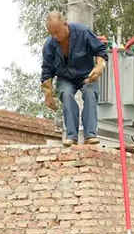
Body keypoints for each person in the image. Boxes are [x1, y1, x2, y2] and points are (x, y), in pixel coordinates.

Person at [40, 11, 107, 146]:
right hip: (65, 78)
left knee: (90, 93)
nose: (55, 37)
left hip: (87, 75)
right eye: (52, 34)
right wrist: (48, 94)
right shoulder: (49, 45)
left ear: (65, 24)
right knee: (66, 94)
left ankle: (90, 135)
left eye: (57, 32)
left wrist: (99, 66)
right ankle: (71, 136)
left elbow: (100, 50)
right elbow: (47, 70)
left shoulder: (83, 32)